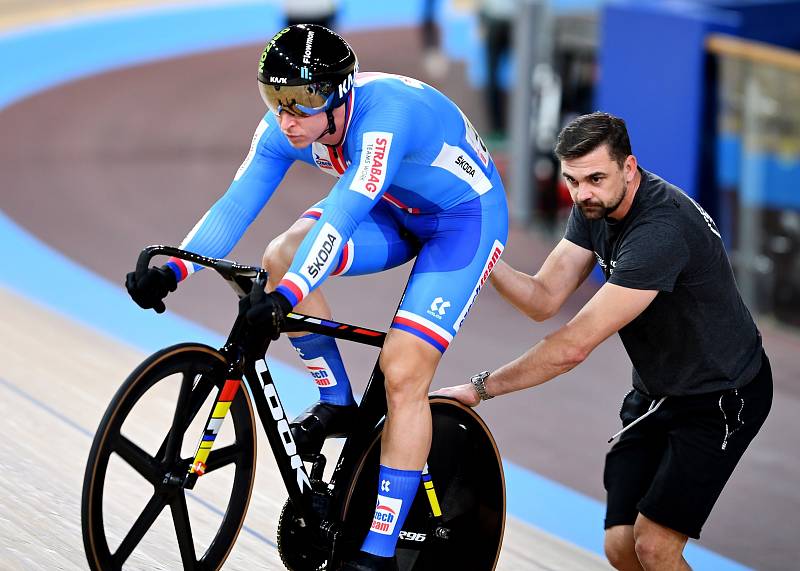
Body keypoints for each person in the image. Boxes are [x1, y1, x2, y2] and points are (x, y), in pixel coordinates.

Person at [125, 24, 508, 570]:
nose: (287, 118)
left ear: (341, 94)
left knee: (403, 372)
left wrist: (286, 300)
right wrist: (174, 271)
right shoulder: (287, 125)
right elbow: (236, 205)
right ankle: (337, 401)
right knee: (280, 254)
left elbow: (344, 212)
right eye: (275, 99)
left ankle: (375, 553)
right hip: (394, 207)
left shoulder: (383, 120)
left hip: (462, 222)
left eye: (303, 103)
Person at [436, 112, 772, 570]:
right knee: (620, 548)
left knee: (654, 546)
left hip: (721, 396)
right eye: (572, 181)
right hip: (658, 391)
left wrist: (480, 388)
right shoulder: (594, 207)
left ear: (629, 168)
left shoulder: (660, 232)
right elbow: (543, 298)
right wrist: (482, 257)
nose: (581, 193)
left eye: (595, 178)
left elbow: (573, 346)